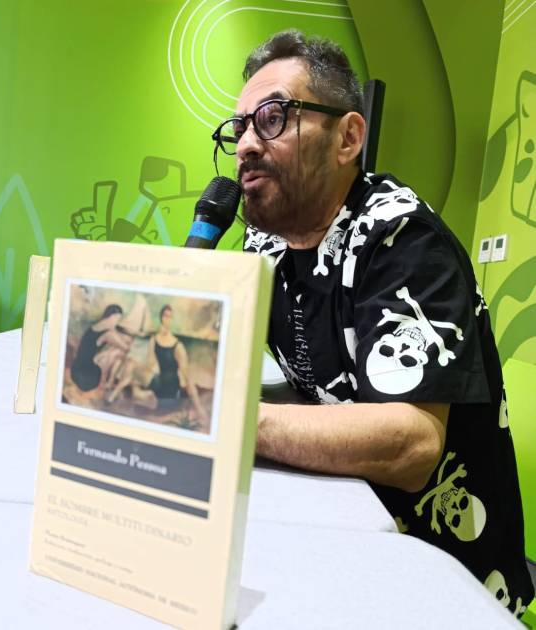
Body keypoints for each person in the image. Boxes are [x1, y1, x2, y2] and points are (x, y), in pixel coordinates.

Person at [213, 29, 534, 615]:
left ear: (348, 137)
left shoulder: (403, 239)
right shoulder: (265, 245)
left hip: (441, 568)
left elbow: (412, 445)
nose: (247, 145)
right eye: (239, 129)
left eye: (272, 118)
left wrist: (229, 418)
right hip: (341, 524)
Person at [70, 304, 130, 392]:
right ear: (110, 316)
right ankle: (107, 382)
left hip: (76, 369)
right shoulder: (109, 333)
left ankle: (108, 381)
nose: (116, 322)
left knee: (111, 351)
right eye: (116, 319)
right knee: (117, 352)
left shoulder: (97, 326)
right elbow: (126, 348)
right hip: (87, 377)